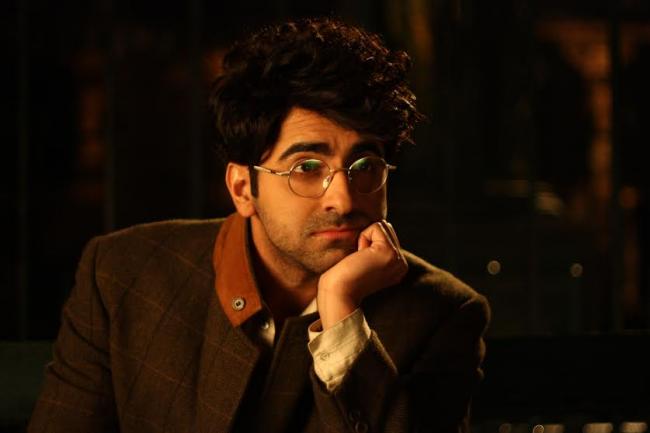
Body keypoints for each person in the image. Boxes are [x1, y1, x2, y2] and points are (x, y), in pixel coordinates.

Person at [28, 17, 490, 433]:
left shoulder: (443, 313)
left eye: (365, 166)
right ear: (242, 188)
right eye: (307, 167)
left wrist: (341, 311)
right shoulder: (122, 275)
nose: (344, 199)